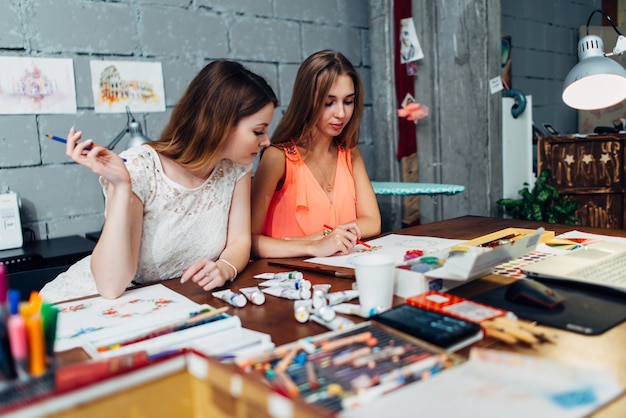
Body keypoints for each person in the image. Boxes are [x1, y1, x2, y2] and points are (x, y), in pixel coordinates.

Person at [40, 60, 278, 302]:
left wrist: (225, 268)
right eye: (259, 131)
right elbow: (111, 286)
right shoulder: (139, 168)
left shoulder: (235, 168)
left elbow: (239, 241)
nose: (266, 141)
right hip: (96, 301)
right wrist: (122, 186)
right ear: (221, 124)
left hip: (173, 300)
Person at [251, 50, 381, 259]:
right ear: (307, 101)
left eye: (348, 101)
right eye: (329, 103)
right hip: (287, 281)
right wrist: (315, 243)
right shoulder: (278, 157)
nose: (340, 113)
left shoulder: (349, 151)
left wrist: (328, 236)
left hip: (341, 276)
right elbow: (250, 241)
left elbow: (372, 222)